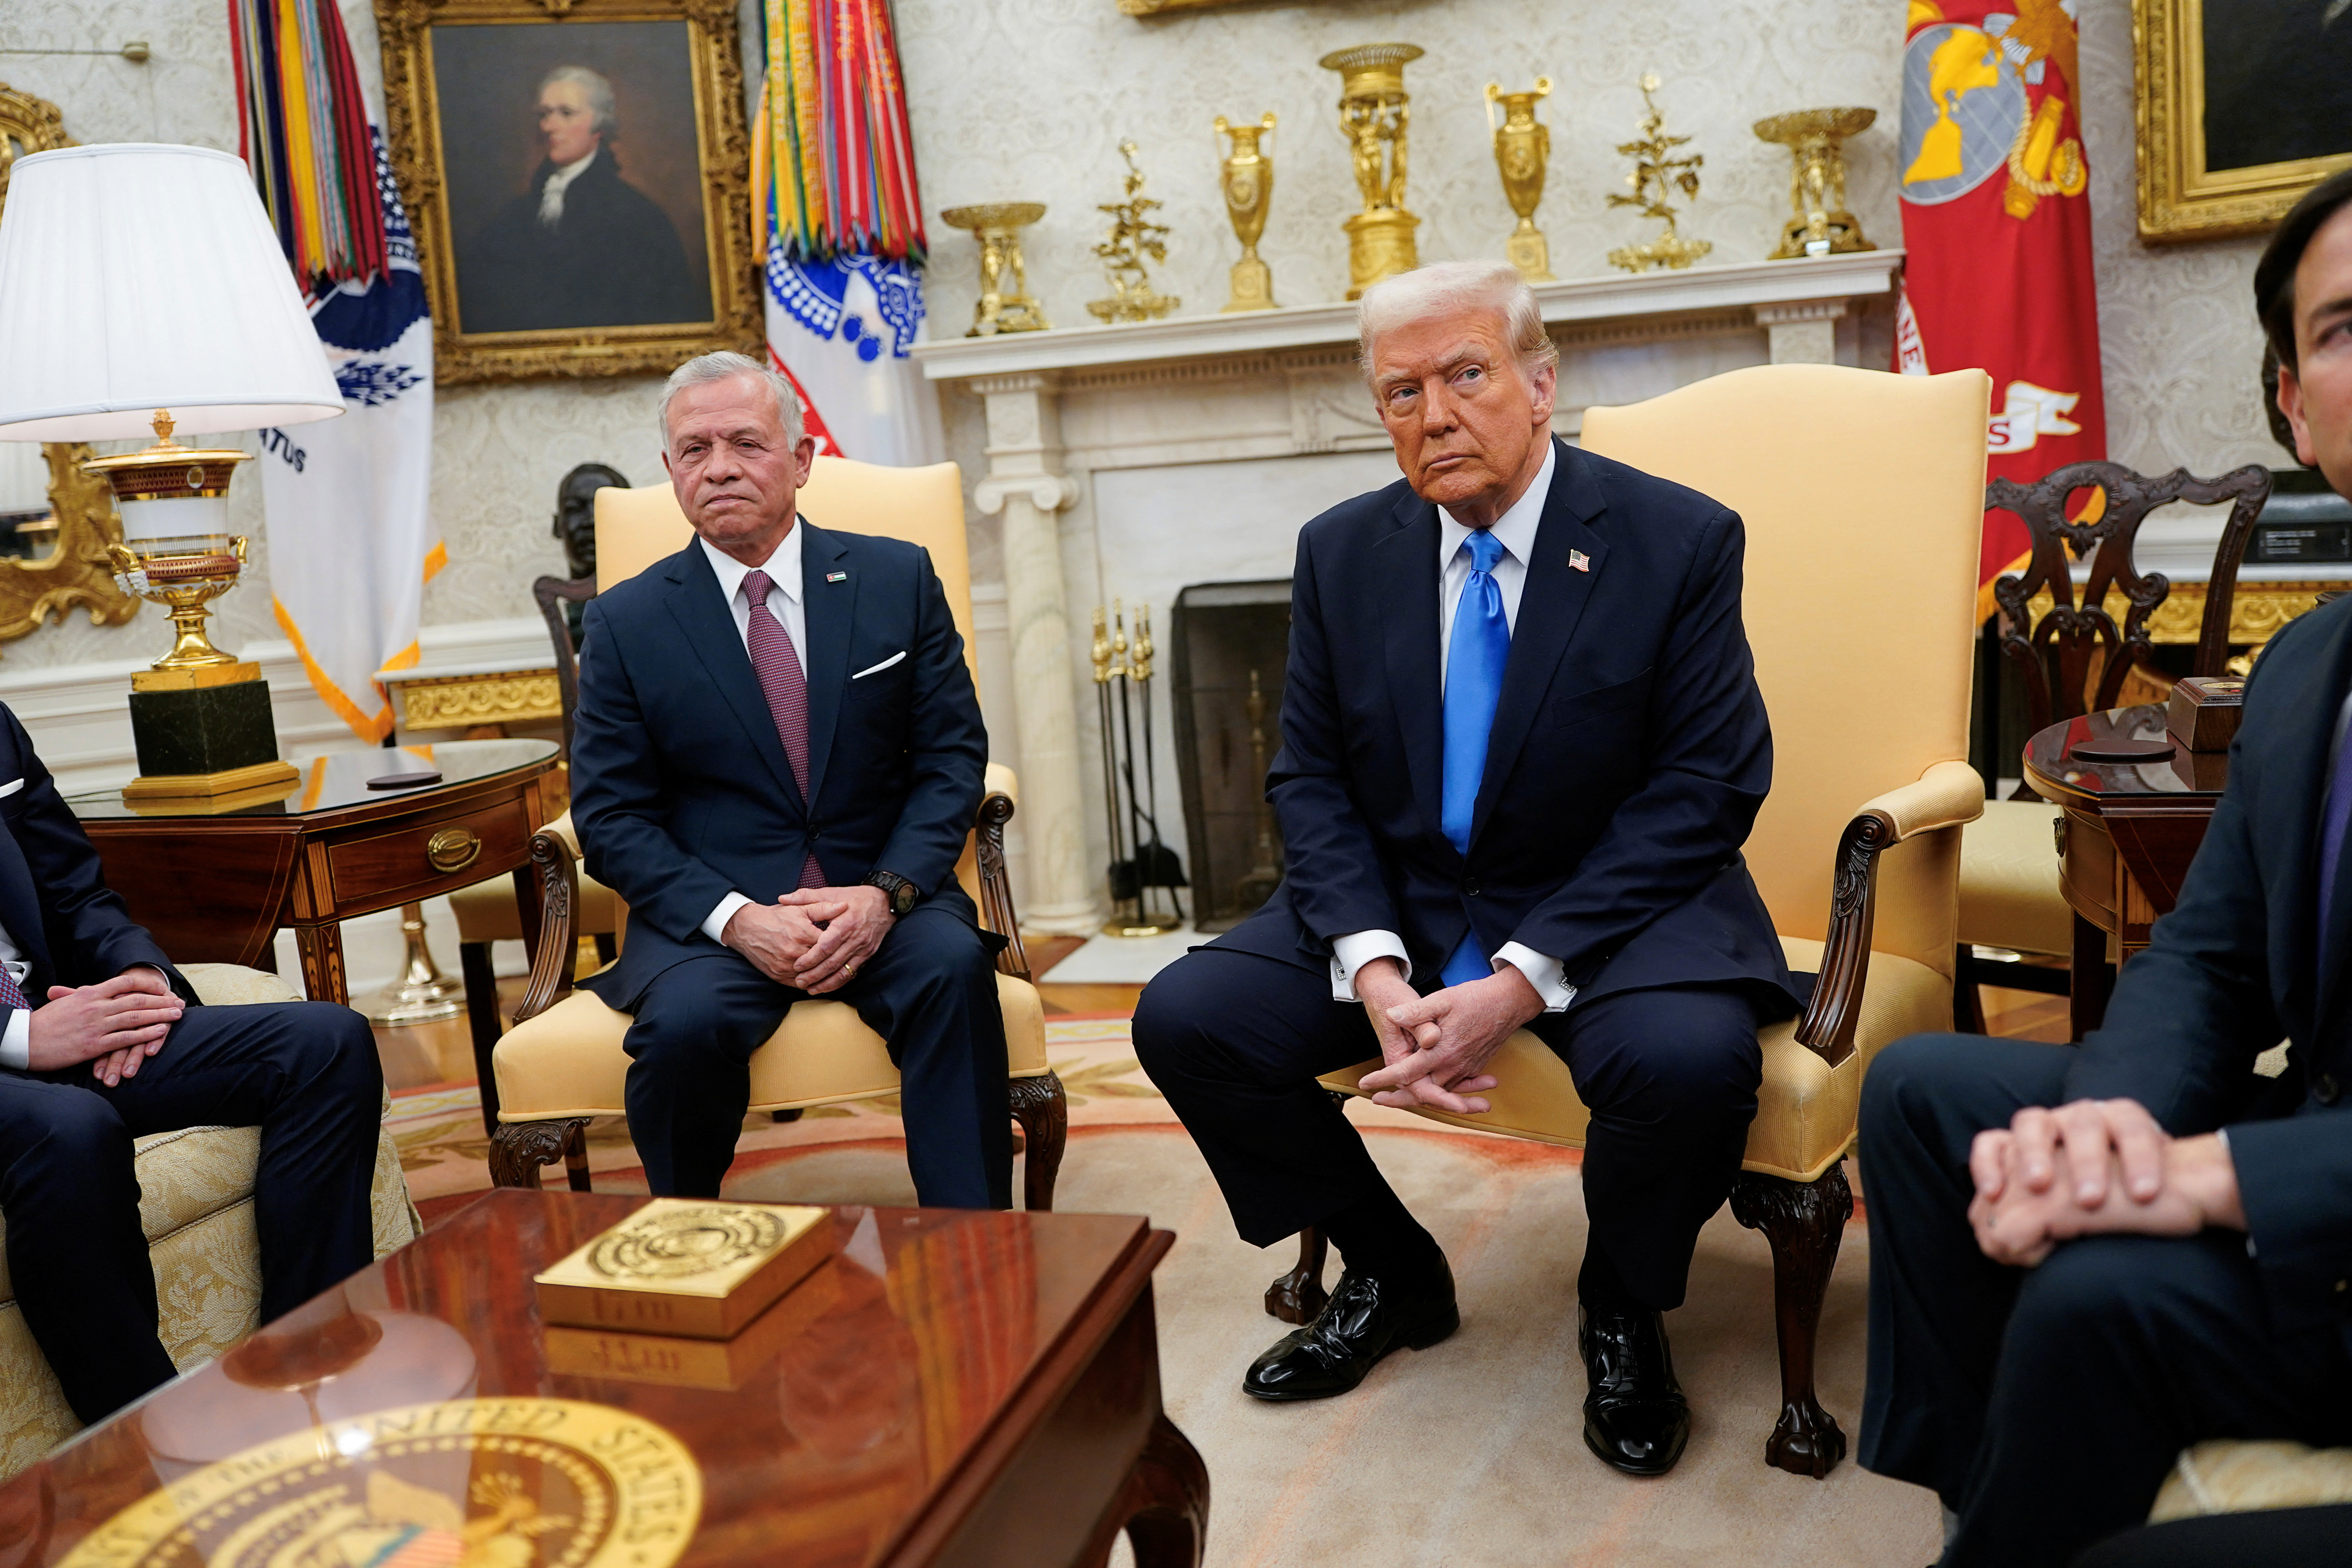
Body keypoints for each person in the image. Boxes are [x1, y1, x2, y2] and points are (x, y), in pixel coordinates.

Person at [1132, 260, 1798, 1477]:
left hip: (1612, 901)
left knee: (1688, 1065)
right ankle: (1392, 1269)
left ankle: (1620, 1304)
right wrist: (1371, 962)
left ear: (1539, 384)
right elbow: (1309, 780)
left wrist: (1523, 975)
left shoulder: (1672, 538)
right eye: (1398, 393)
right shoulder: (1342, 550)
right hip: (1407, 896)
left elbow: (1704, 787)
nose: (1433, 414)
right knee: (1190, 1017)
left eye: (1465, 375)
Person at [1856, 166, 2352, 1568]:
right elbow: (2207, 954)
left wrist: (2205, 1178)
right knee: (1920, 1091)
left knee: (2097, 1288)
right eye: (2344, 324)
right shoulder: (2312, 662)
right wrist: (2115, 1122)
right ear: (2292, 406)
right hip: (2313, 1132)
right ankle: (1993, 1480)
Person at [568, 350, 1010, 1207]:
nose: (720, 466)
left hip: (887, 893)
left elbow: (952, 757)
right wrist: (737, 921)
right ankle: (689, 1249)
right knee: (682, 1030)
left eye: (746, 441)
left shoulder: (897, 578)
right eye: (694, 450)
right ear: (670, 474)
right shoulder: (624, 622)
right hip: (716, 917)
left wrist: (883, 894)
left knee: (954, 972)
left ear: (801, 461)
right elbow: (613, 816)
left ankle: (978, 1255)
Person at [0, 708, 383, 1424]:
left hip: (55, 1017)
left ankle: (310, 1368)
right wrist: (19, 1036)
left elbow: (74, 889)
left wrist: (140, 974)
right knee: (72, 1128)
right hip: (22, 1051)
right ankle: (148, 1436)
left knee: (326, 1044)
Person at [459, 65, 707, 334]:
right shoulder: (515, 215)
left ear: (599, 126)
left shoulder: (638, 217)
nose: (549, 127)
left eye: (566, 113)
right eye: (544, 115)